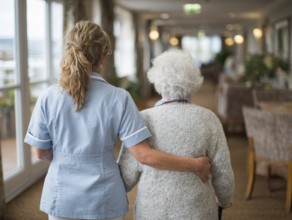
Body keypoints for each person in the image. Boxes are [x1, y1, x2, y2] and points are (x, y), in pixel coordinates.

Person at [24, 21, 211, 220]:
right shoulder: (119, 98)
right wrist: (195, 165)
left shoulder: (47, 97)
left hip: (61, 197)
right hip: (104, 198)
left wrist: (69, 160)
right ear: (103, 57)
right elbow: (144, 155)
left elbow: (41, 151)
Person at [118, 49, 234, 220]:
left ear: (157, 82)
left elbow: (126, 177)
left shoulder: (143, 119)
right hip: (197, 210)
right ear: (194, 81)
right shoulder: (208, 118)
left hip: (152, 211)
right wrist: (224, 200)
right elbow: (223, 171)